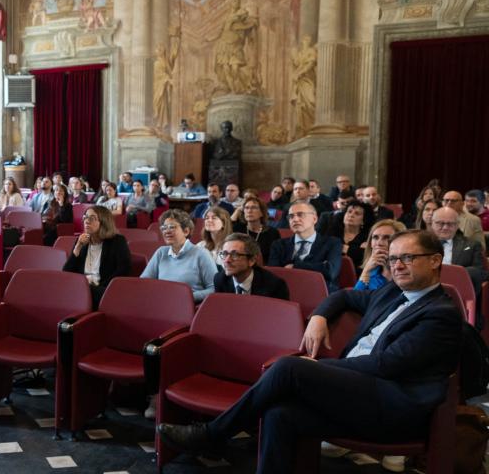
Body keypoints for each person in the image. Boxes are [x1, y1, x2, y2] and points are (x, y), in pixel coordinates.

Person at [158, 230, 462, 474]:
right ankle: (217, 436)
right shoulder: (394, 292)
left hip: (392, 406)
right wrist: (318, 317)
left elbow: (387, 365)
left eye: (407, 257)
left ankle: (212, 434)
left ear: (435, 260)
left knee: (290, 367)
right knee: (280, 414)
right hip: (359, 393)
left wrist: (320, 368)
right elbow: (344, 295)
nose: (397, 265)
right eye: (393, 258)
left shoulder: (441, 313)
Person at [141, 209, 217, 302]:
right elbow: (144, 283)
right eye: (164, 228)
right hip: (161, 304)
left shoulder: (201, 254)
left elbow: (214, 289)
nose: (167, 231)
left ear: (186, 231)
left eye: (172, 227)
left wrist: (184, 297)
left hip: (188, 308)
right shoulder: (161, 252)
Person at [268, 201, 343, 293]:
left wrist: (295, 266)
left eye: (300, 215)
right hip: (287, 291)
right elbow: (274, 274)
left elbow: (330, 271)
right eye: (291, 216)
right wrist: (319, 266)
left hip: (320, 292)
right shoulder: (278, 245)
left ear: (314, 219)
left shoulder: (332, 243)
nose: (295, 219)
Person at [64, 205, 132, 307]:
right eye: (85, 217)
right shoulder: (82, 241)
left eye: (92, 218)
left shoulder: (117, 241)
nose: (86, 221)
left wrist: (96, 288)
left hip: (105, 291)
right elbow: (66, 273)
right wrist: (77, 248)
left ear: (104, 222)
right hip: (81, 290)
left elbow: (124, 270)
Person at [212, 233, 289, 300]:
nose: (227, 260)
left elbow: (279, 316)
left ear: (252, 260)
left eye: (235, 255)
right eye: (225, 254)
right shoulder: (220, 280)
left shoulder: (274, 286)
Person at [431, 207, 487, 289]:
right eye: (440, 223)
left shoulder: (472, 245)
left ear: (457, 225)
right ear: (432, 224)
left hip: (457, 289)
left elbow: (480, 273)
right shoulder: (421, 244)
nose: (445, 227)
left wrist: (454, 274)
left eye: (450, 224)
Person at [356, 219, 407, 291]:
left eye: (387, 238)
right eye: (375, 237)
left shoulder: (407, 271)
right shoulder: (370, 273)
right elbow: (355, 299)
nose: (379, 243)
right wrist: (366, 271)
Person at [231, 196, 281, 264]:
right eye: (246, 208)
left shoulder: (273, 233)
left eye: (254, 208)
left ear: (262, 212)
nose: (249, 211)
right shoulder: (237, 229)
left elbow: (274, 259)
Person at [326, 201, 370, 275]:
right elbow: (324, 249)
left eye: (357, 213)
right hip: (330, 272)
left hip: (357, 275)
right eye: (349, 212)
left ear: (363, 220)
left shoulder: (367, 237)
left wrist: (339, 248)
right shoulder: (333, 231)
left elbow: (364, 258)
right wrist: (353, 251)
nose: (351, 215)